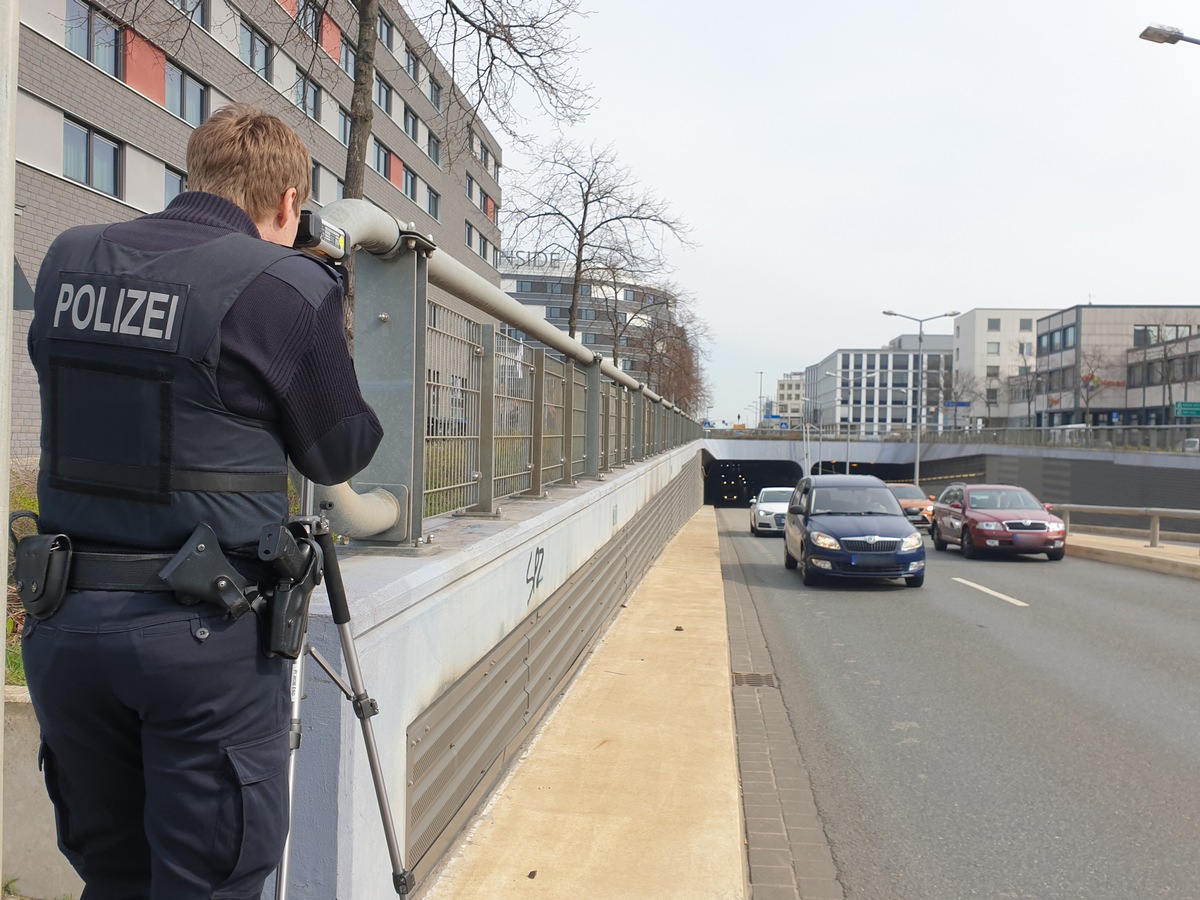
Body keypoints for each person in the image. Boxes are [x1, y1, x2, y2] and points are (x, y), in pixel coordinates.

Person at [22, 104, 383, 899]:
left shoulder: (69, 256)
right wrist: (325, 302)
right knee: (210, 883)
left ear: (196, 175)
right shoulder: (288, 283)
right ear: (290, 203)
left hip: (66, 623)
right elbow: (341, 449)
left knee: (113, 879)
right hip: (202, 642)